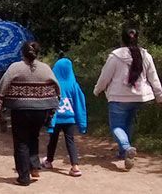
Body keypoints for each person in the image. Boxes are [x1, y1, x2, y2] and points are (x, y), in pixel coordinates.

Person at [93, 26, 162, 169]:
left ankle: (126, 147)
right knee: (128, 123)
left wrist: (97, 90)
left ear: (122, 38)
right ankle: (123, 152)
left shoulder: (115, 56)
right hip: (139, 98)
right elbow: (153, 78)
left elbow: (105, 76)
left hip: (119, 97)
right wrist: (159, 96)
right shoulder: (145, 55)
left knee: (117, 126)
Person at [0, 41, 60, 186]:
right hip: (41, 111)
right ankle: (34, 167)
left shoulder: (15, 68)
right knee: (33, 136)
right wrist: (51, 112)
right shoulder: (46, 69)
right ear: (37, 53)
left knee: (21, 142)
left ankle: (24, 177)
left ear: (22, 53)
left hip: (20, 110)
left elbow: (1, 88)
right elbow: (57, 89)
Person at [42, 56, 87, 177]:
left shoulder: (53, 85)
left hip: (56, 119)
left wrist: (46, 119)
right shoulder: (74, 85)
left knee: (53, 141)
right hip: (69, 119)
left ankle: (49, 161)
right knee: (70, 141)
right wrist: (82, 123)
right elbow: (79, 103)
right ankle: (75, 166)